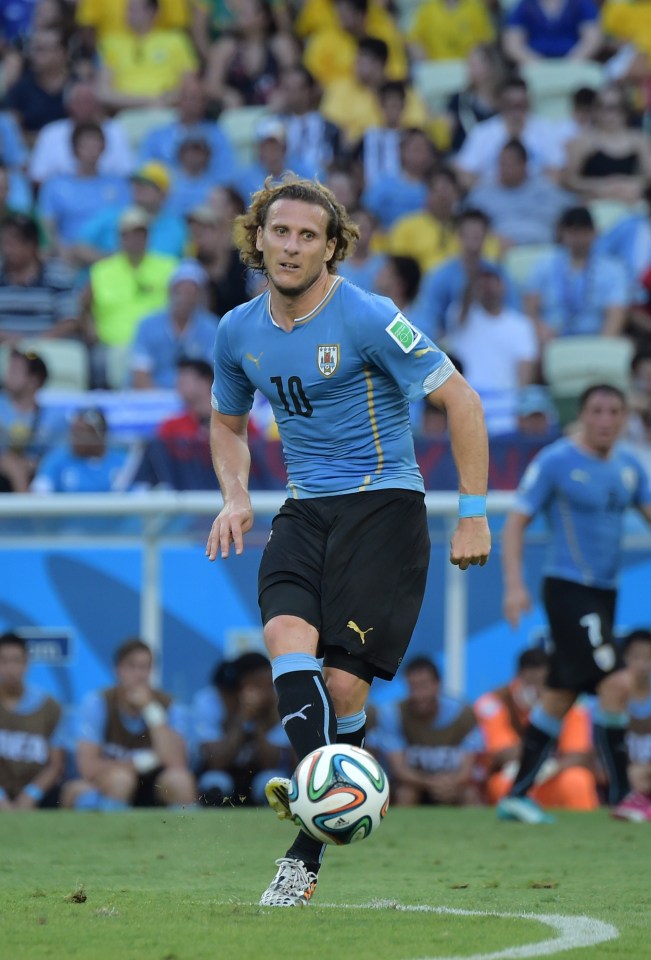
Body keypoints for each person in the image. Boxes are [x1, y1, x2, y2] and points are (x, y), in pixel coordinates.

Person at [206, 174, 491, 906]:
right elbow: (227, 422)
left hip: (383, 509)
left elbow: (458, 397)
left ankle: (304, 853)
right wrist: (235, 494)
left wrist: (473, 510)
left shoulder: (367, 316)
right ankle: (326, 788)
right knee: (283, 638)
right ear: (257, 238)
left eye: (308, 235)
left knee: (341, 687)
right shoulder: (237, 330)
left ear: (332, 247)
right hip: (305, 510)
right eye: (280, 232)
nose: (292, 246)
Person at [500, 383, 651, 823]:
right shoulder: (556, 461)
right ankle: (625, 796)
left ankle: (517, 794)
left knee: (559, 696)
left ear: (625, 418)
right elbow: (515, 524)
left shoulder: (629, 467)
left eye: (614, 411)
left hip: (605, 593)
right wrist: (513, 584)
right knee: (617, 683)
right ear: (583, 415)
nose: (605, 420)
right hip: (567, 588)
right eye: (597, 410)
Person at [65, 638, 196, 810]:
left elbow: (177, 763)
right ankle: (115, 835)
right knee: (120, 780)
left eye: (145, 667)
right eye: (131, 666)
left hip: (156, 784)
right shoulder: (99, 703)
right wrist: (138, 763)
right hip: (113, 783)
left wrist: (151, 710)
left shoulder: (169, 706)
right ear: (118, 670)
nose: (138, 675)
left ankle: (188, 836)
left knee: (180, 781)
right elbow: (88, 768)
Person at [475, 648, 599, 810]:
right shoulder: (492, 703)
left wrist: (550, 768)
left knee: (578, 780)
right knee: (501, 783)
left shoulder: (570, 702)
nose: (538, 690)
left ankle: (585, 831)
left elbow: (578, 754)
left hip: (551, 775)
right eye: (531, 682)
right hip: (513, 774)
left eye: (544, 683)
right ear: (518, 677)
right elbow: (503, 754)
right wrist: (536, 720)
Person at [367, 656, 483, 806]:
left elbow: (466, 771)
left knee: (470, 794)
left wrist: (446, 784)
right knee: (405, 793)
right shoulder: (393, 715)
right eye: (413, 688)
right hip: (413, 785)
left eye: (424, 686)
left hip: (453, 785)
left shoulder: (462, 714)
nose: (419, 695)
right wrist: (431, 783)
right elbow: (399, 770)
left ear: (437, 685)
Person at [445, 265, 538, 435]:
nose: (487, 287)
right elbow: (463, 304)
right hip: (467, 401)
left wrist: (518, 405)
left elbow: (525, 373)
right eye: (482, 283)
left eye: (492, 281)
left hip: (507, 406)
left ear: (503, 285)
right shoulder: (459, 316)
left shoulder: (521, 325)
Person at [192, 652, 294, 806]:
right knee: (214, 781)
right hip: (223, 776)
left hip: (260, 776)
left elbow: (270, 763)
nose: (267, 691)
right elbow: (217, 762)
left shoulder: (282, 704)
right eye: (260, 685)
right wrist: (242, 717)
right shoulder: (209, 701)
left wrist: (257, 719)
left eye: (270, 685)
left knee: (272, 781)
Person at [524, 206, 628, 341]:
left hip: (595, 336)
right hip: (551, 337)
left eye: (584, 232)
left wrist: (602, 346)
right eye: (573, 232)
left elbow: (616, 313)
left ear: (595, 232)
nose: (578, 238)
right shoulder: (544, 265)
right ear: (561, 233)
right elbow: (530, 307)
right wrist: (538, 331)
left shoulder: (613, 269)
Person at [0, 631, 66, 810]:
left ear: (26, 663)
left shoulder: (49, 707)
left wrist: (32, 794)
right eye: (3, 661)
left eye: (16, 661)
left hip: (39, 795)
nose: (9, 668)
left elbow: (55, 764)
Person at [130, 259, 219, 389]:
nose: (184, 297)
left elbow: (215, 375)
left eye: (191, 292)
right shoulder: (147, 326)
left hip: (197, 399)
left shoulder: (213, 328)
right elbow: (140, 375)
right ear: (170, 292)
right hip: (154, 398)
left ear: (199, 296)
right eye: (179, 291)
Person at [467, 139, 573, 248]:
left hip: (544, 250)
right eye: (501, 164)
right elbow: (466, 223)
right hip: (500, 253)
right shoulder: (481, 194)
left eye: (509, 164)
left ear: (524, 165)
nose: (504, 169)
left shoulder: (547, 189)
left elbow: (574, 210)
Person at [562, 85, 651, 204]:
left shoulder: (639, 140)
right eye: (601, 107)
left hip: (630, 203)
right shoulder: (581, 141)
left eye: (613, 108)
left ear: (624, 110)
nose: (607, 114)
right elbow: (569, 180)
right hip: (594, 204)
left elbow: (649, 176)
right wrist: (599, 186)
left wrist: (627, 184)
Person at [0, 213, 78, 343]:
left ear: (31, 245)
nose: (7, 250)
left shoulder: (56, 274)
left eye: (12, 244)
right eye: (4, 243)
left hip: (48, 352)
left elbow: (70, 320)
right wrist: (9, 340)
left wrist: (36, 344)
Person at [0, 349, 67, 493]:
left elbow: (60, 456)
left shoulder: (54, 418)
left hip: (39, 479)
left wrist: (33, 464)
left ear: (34, 380)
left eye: (16, 370)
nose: (8, 375)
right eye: (9, 368)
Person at [30, 407, 130, 494]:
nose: (75, 437)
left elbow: (138, 498)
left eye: (81, 432)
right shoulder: (57, 460)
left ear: (99, 436)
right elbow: (39, 494)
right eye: (73, 431)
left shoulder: (122, 463)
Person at [613, 629, 651, 820]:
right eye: (636, 657)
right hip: (623, 771)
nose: (643, 664)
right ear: (623, 658)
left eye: (648, 657)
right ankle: (634, 802)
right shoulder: (611, 694)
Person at [503, 0, 602, 64]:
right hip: (534, 63)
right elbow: (513, 43)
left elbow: (592, 38)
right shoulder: (524, 5)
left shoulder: (581, 3)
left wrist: (574, 61)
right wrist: (533, 62)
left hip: (575, 60)